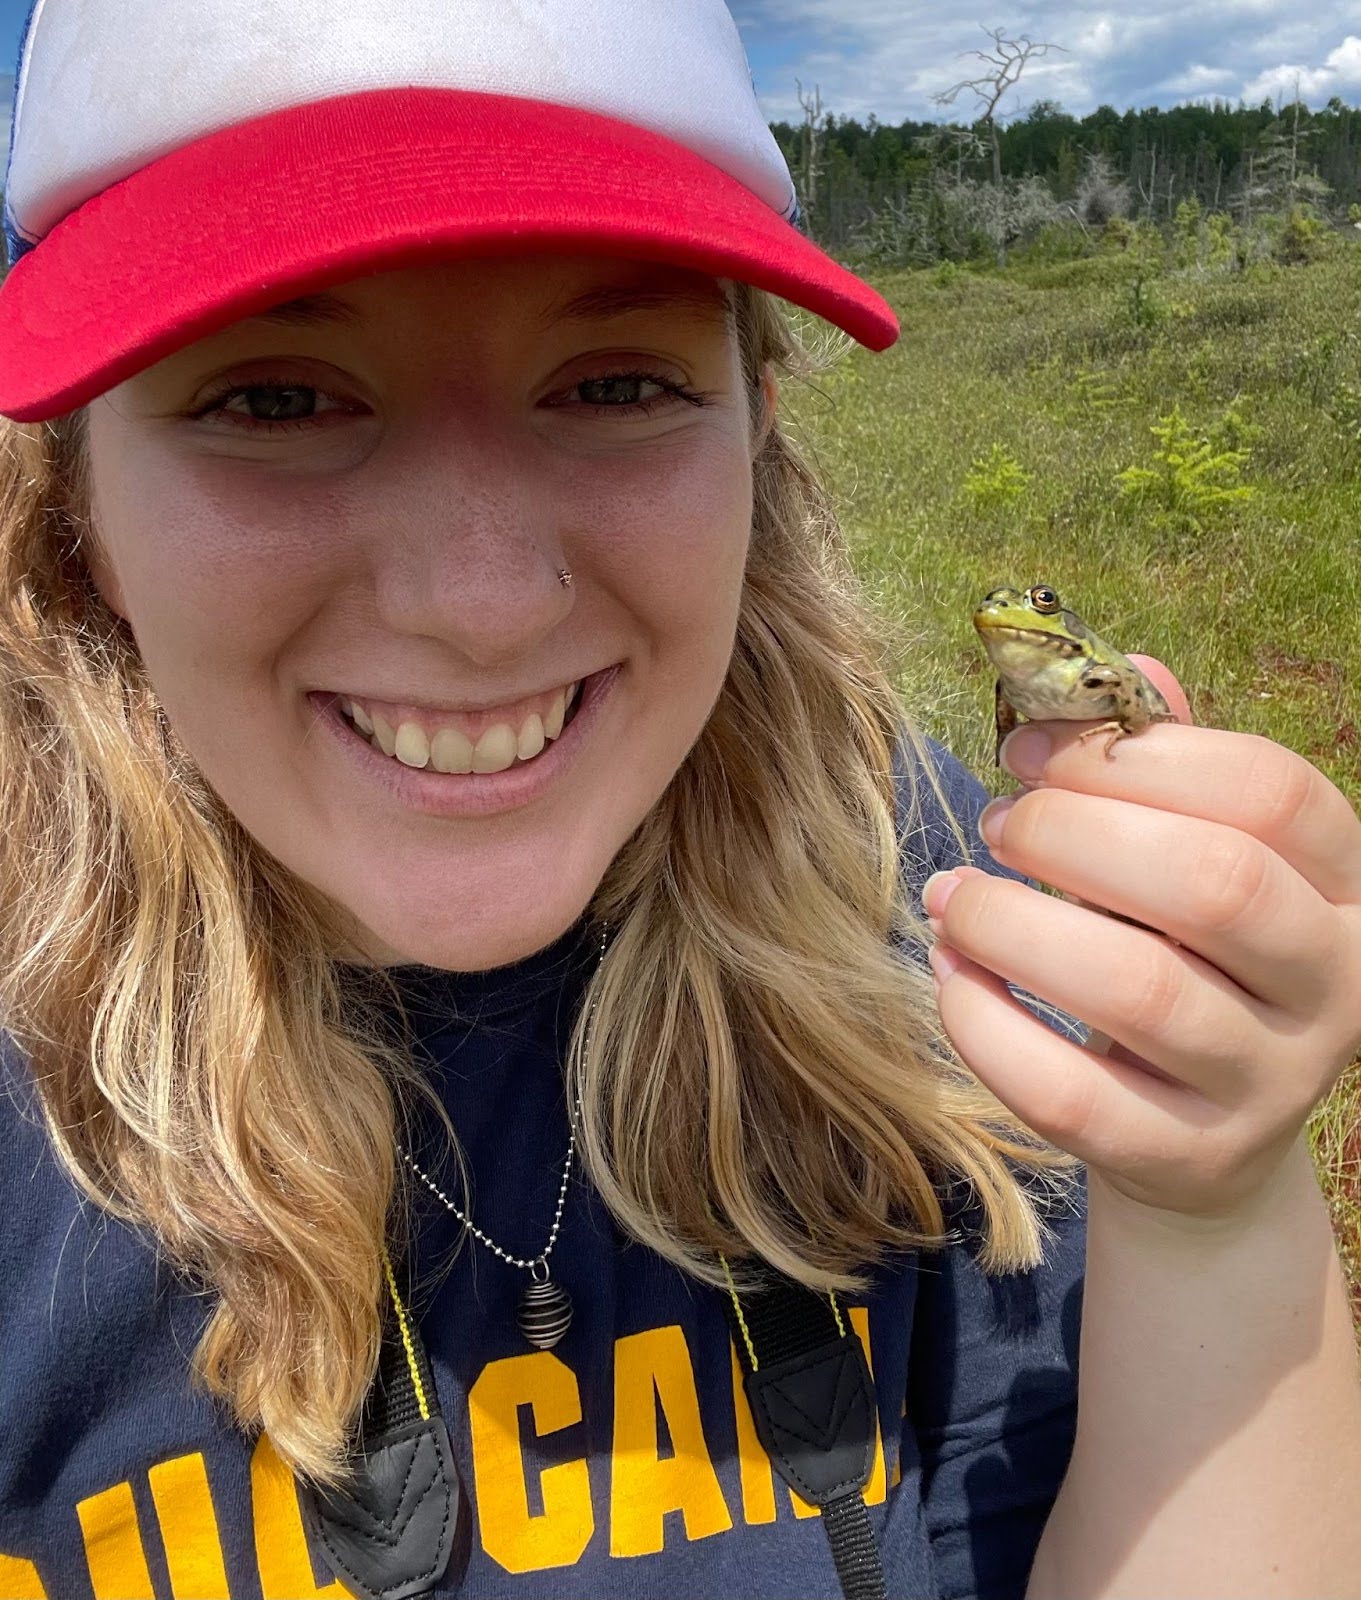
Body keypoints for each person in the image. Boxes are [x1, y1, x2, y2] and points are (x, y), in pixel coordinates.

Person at [0, 2, 1358, 1597]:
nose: (483, 603)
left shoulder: (919, 904)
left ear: (758, 436)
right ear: (71, 498)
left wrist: (1210, 1207)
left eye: (614, 383)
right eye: (276, 400)